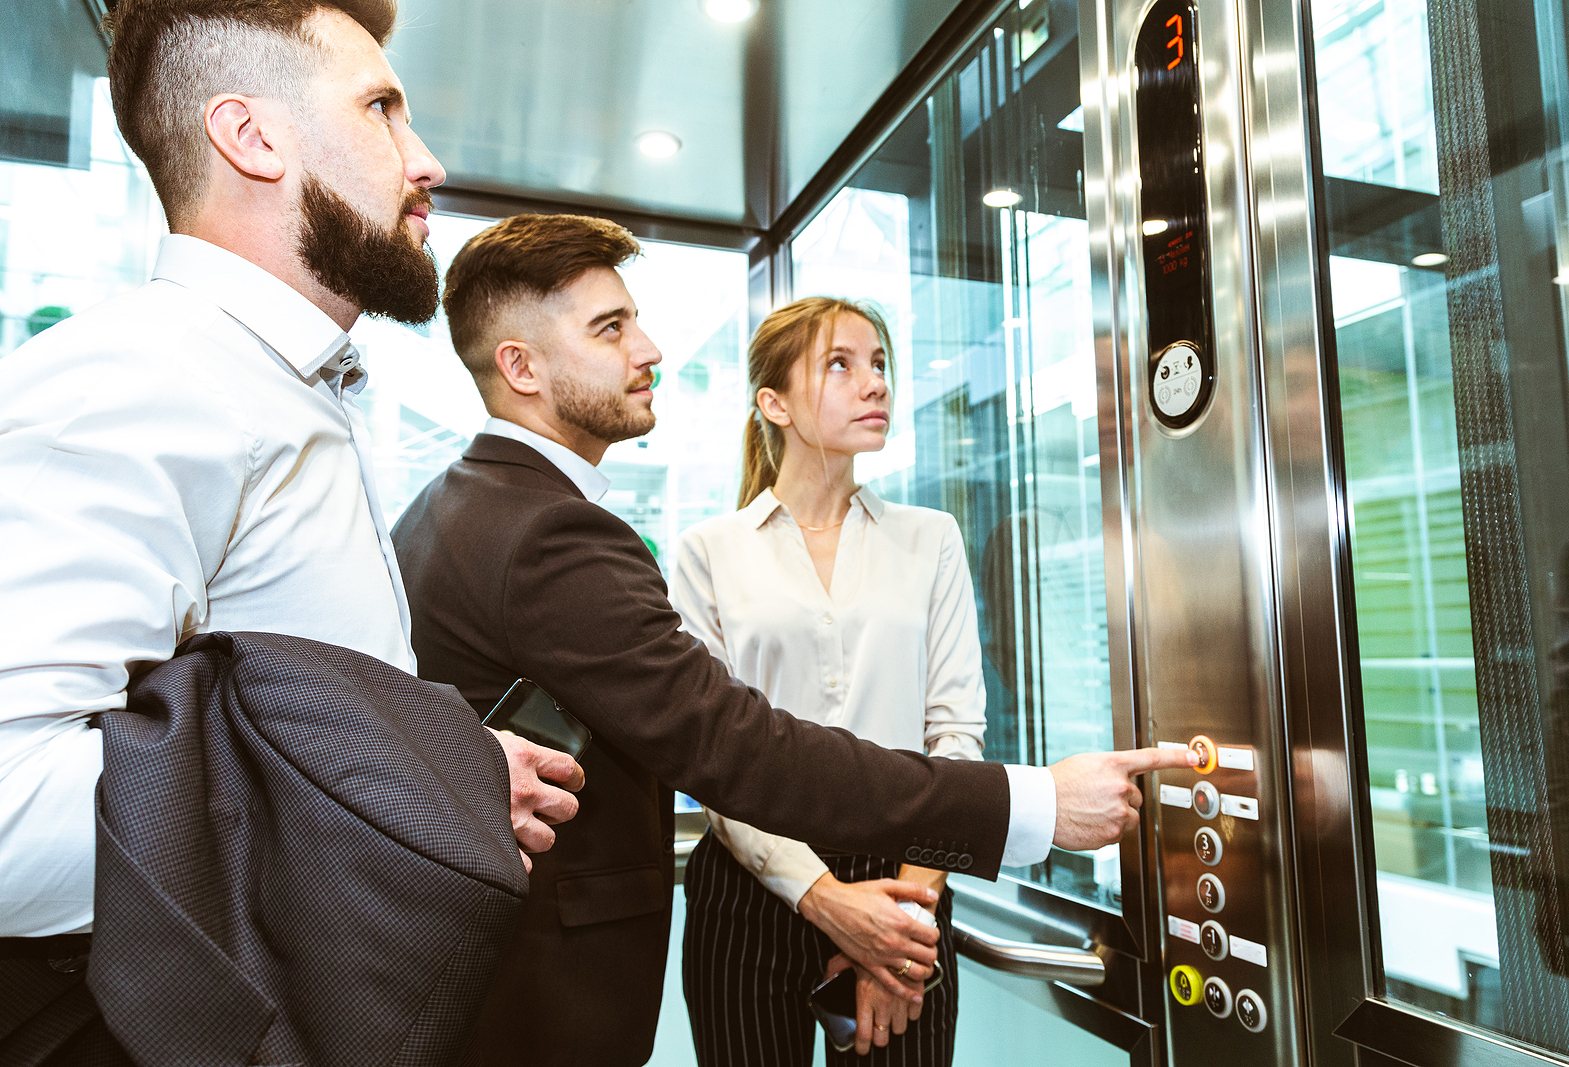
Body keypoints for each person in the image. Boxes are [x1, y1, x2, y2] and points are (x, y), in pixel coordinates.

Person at [391, 211, 1199, 1066]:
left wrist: (907, 907)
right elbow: (730, 745)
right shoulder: (557, 532)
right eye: (611, 327)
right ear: (519, 366)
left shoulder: (458, 509)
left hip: (866, 880)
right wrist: (1027, 805)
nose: (651, 348)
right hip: (596, 964)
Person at [0, 1, 579, 1060]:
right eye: (382, 111)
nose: (428, 160)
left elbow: (291, 712)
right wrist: (418, 781)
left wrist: (447, 760)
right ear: (250, 136)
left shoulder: (283, 390)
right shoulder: (136, 380)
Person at [672, 296, 977, 1065]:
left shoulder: (930, 539)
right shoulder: (709, 550)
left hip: (909, 880)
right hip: (751, 886)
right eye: (840, 364)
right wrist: (828, 901)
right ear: (771, 402)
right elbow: (710, 755)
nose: (874, 383)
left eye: (878, 363)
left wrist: (903, 923)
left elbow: (957, 736)